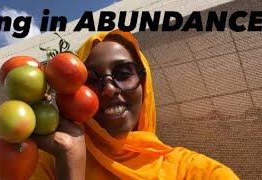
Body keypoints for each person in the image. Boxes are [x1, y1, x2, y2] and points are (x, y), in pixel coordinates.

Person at [30, 30, 239, 180]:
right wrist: (69, 161)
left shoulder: (195, 172)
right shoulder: (50, 164)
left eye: (123, 73)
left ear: (144, 85)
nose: (110, 90)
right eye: (91, 79)